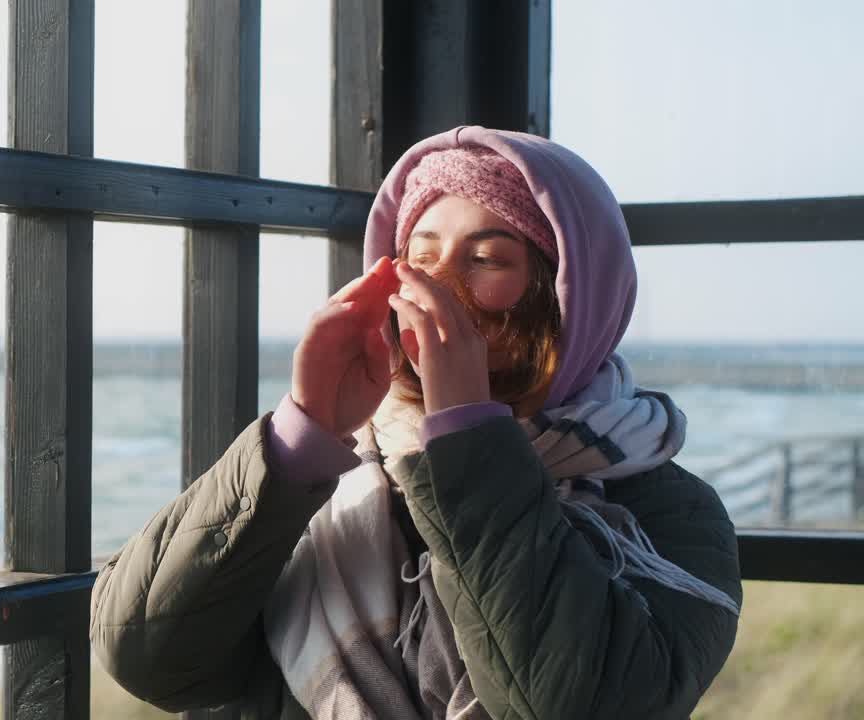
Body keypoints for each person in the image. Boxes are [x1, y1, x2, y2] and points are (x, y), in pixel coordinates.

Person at [91, 126, 742, 719]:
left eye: (485, 259)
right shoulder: (328, 475)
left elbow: (578, 701)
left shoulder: (672, 516)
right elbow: (150, 660)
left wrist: (467, 436)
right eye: (421, 258)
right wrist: (301, 435)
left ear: (569, 298)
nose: (441, 289)